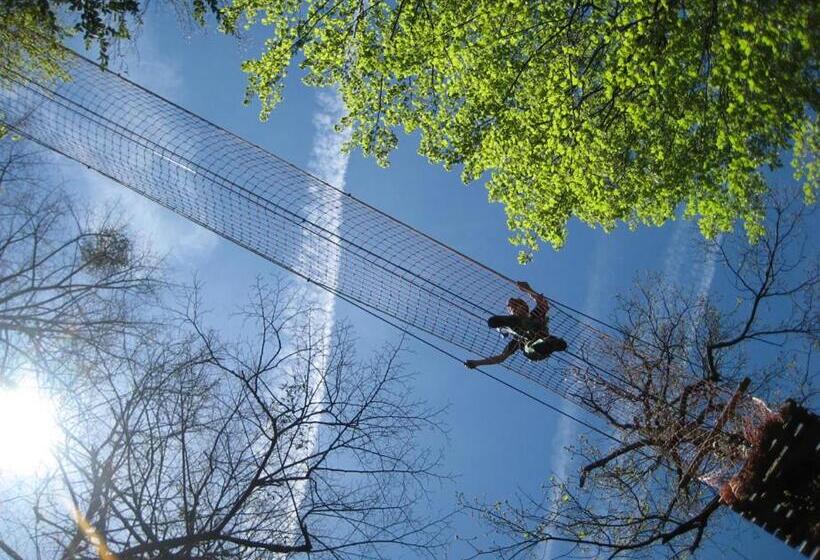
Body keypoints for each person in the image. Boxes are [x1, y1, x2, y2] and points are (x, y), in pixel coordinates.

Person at [465, 281, 567, 369]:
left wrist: (528, 290)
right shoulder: (517, 341)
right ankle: (547, 344)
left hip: (539, 335)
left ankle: (551, 343)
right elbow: (501, 357)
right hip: (534, 350)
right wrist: (476, 363)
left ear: (525, 308)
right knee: (529, 349)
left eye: (517, 307)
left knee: (528, 327)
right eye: (512, 309)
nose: (515, 309)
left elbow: (543, 304)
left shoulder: (534, 315)